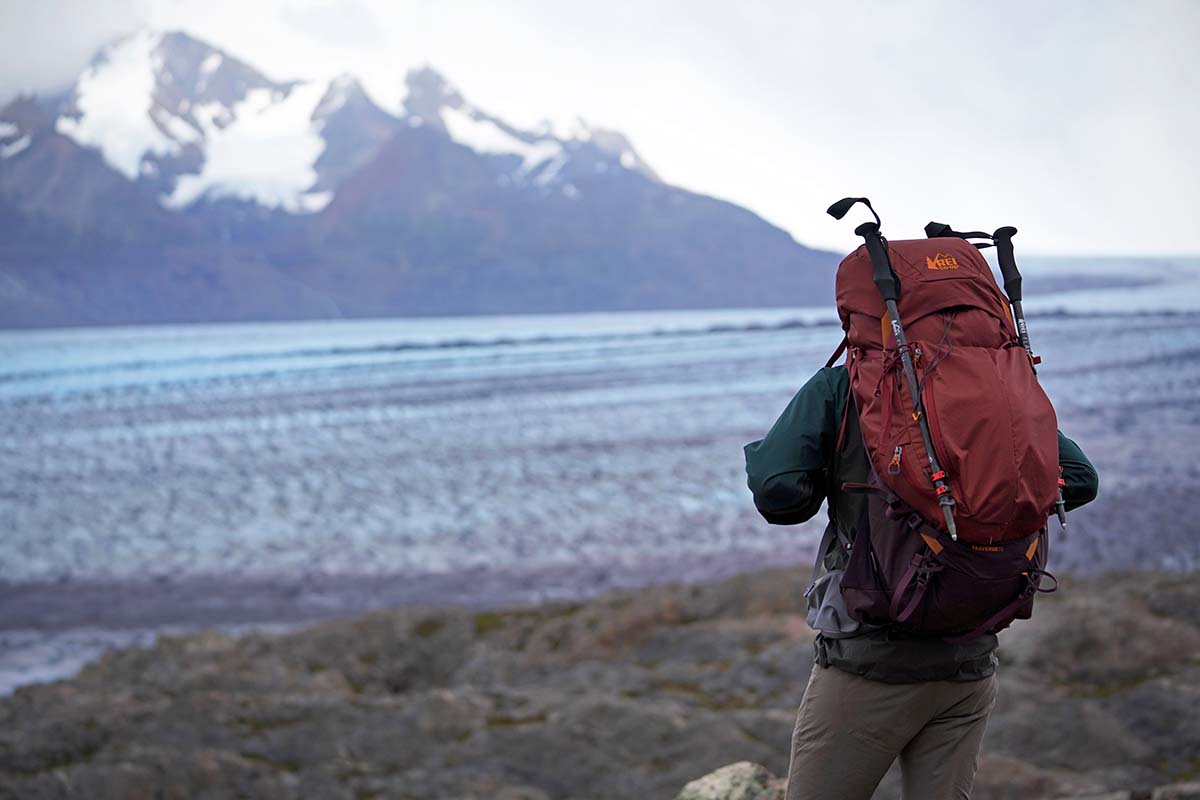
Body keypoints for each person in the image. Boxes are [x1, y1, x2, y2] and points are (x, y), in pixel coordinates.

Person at [744, 363, 1099, 800]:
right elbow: (1080, 479)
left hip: (869, 665)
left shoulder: (845, 384)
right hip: (968, 666)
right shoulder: (997, 383)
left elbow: (778, 495)